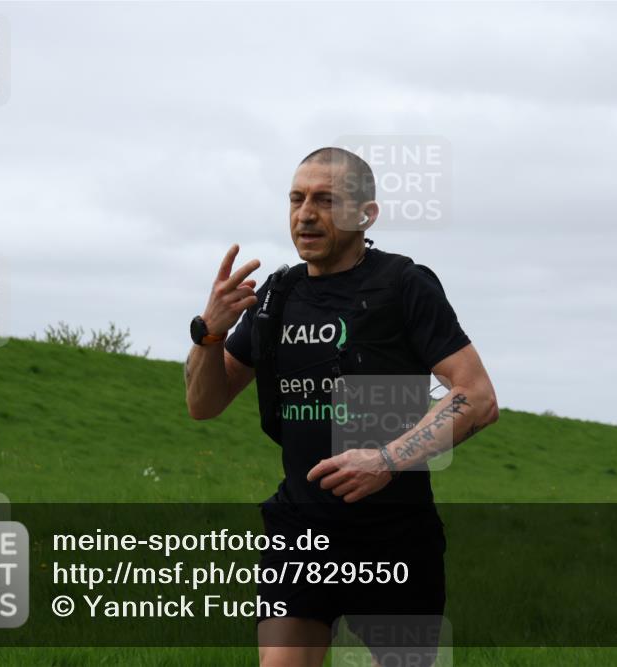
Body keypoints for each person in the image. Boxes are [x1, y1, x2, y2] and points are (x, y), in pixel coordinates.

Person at [184, 147, 499, 667]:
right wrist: (210, 332)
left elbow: (476, 396)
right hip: (300, 530)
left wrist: (385, 460)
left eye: (325, 200)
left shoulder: (403, 285)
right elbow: (203, 404)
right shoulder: (275, 297)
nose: (305, 214)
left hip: (394, 536)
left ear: (365, 214)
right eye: (297, 199)